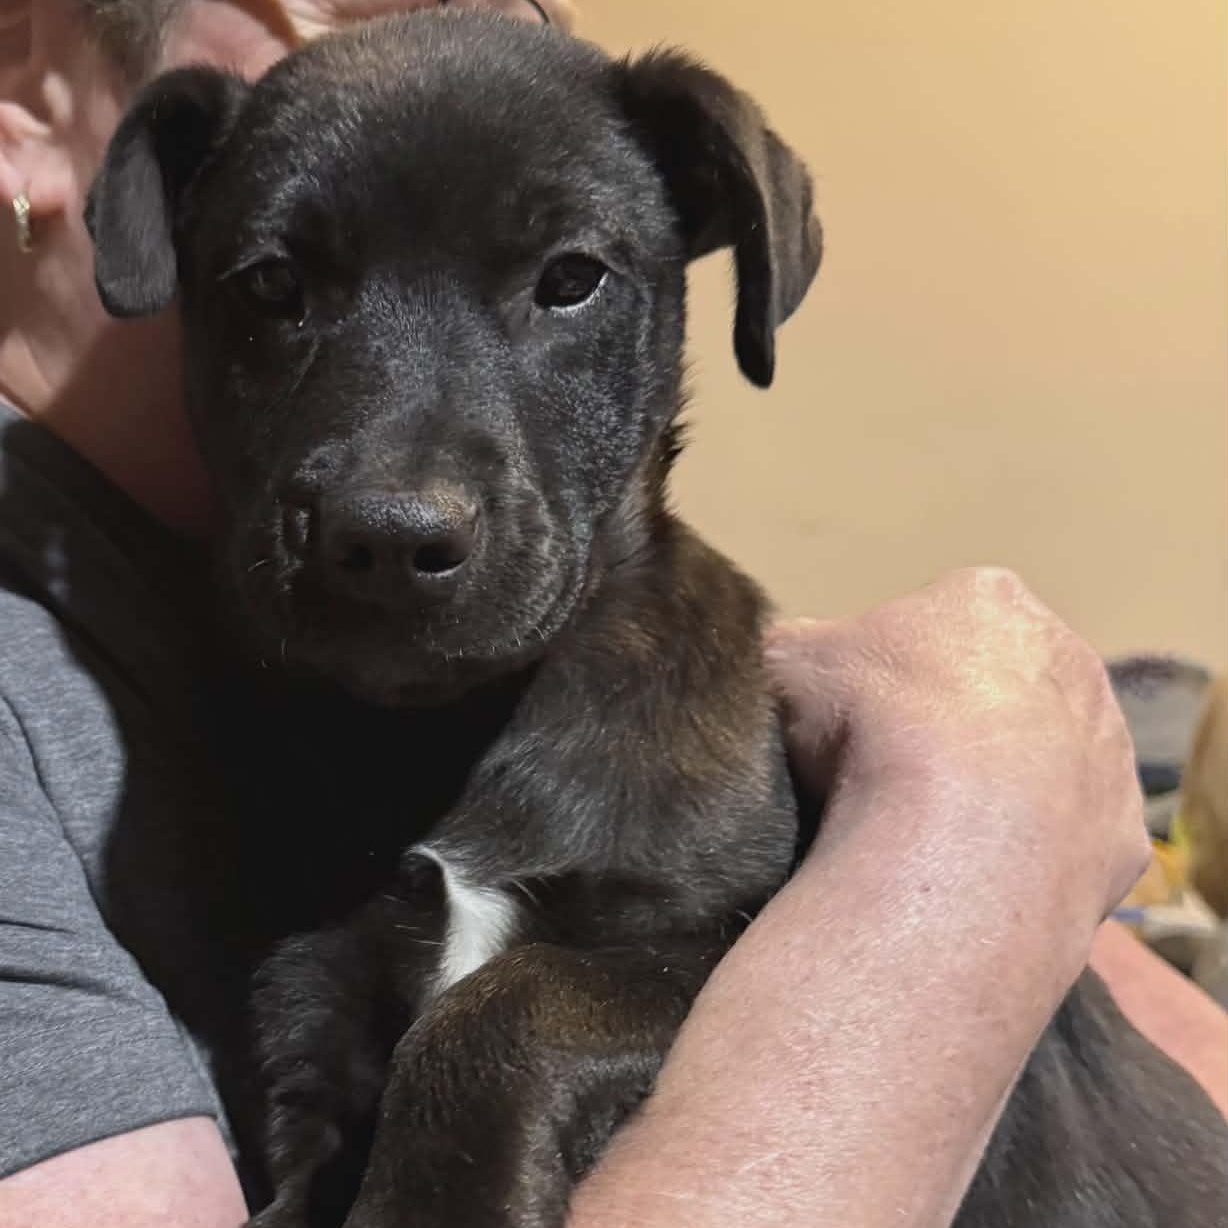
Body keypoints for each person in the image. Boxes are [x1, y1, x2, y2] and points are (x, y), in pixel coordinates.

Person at [0, 3, 1222, 1226]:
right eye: (279, 288)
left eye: (565, 278)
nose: (402, 495)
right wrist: (959, 850)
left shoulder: (737, 707)